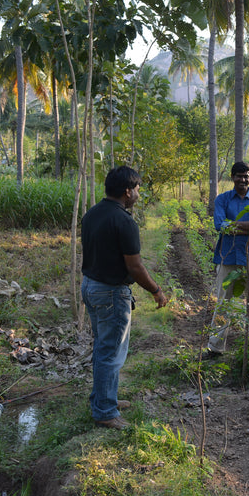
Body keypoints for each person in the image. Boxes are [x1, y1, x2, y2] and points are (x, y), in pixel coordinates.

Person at [81, 166, 169, 430]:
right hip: (110, 292)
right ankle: (105, 412)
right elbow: (135, 267)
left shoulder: (92, 214)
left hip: (91, 286)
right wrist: (156, 290)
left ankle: (104, 398)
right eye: (138, 189)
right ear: (128, 191)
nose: (139, 194)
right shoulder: (124, 221)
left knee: (103, 348)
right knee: (111, 352)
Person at [207, 161, 249, 355]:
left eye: (246, 175)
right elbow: (219, 225)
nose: (243, 179)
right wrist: (245, 226)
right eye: (239, 176)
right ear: (232, 177)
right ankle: (215, 348)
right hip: (228, 258)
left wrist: (233, 226)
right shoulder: (222, 199)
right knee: (223, 304)